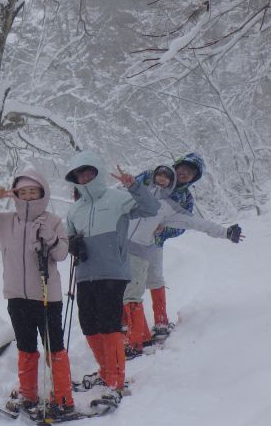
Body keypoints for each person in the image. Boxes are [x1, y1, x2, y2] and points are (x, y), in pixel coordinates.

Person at [0, 168, 75, 416]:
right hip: (16, 296)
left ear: (42, 193)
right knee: (26, 347)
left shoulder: (53, 221)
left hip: (48, 296)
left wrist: (51, 238)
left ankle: (63, 397)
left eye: (33, 192)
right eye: (23, 192)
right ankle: (28, 395)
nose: (28, 196)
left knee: (54, 347)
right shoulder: (4, 221)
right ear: (16, 194)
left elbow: (61, 255)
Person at [64, 150, 159, 403]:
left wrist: (133, 185)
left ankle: (116, 381)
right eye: (78, 174)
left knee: (109, 326)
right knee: (89, 325)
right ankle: (106, 372)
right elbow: (66, 240)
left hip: (113, 272)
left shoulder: (118, 198)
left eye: (88, 172)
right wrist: (72, 244)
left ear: (97, 172)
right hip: (85, 275)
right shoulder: (74, 211)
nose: (83, 177)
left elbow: (151, 208)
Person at [122, 164, 244, 355]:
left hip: (140, 251)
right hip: (117, 249)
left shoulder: (170, 207)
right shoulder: (138, 192)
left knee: (133, 294)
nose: (162, 179)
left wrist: (225, 232)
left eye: (167, 177)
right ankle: (132, 333)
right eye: (159, 175)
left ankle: (138, 340)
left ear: (172, 183)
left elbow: (195, 222)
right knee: (120, 292)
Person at [145, 152, 205, 332]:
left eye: (191, 172)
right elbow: (127, 192)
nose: (185, 173)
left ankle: (161, 323)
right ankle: (126, 323)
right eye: (183, 168)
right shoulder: (152, 176)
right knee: (126, 281)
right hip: (130, 239)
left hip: (155, 242)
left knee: (155, 279)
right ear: (176, 166)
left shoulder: (185, 197)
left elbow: (183, 225)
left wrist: (164, 230)